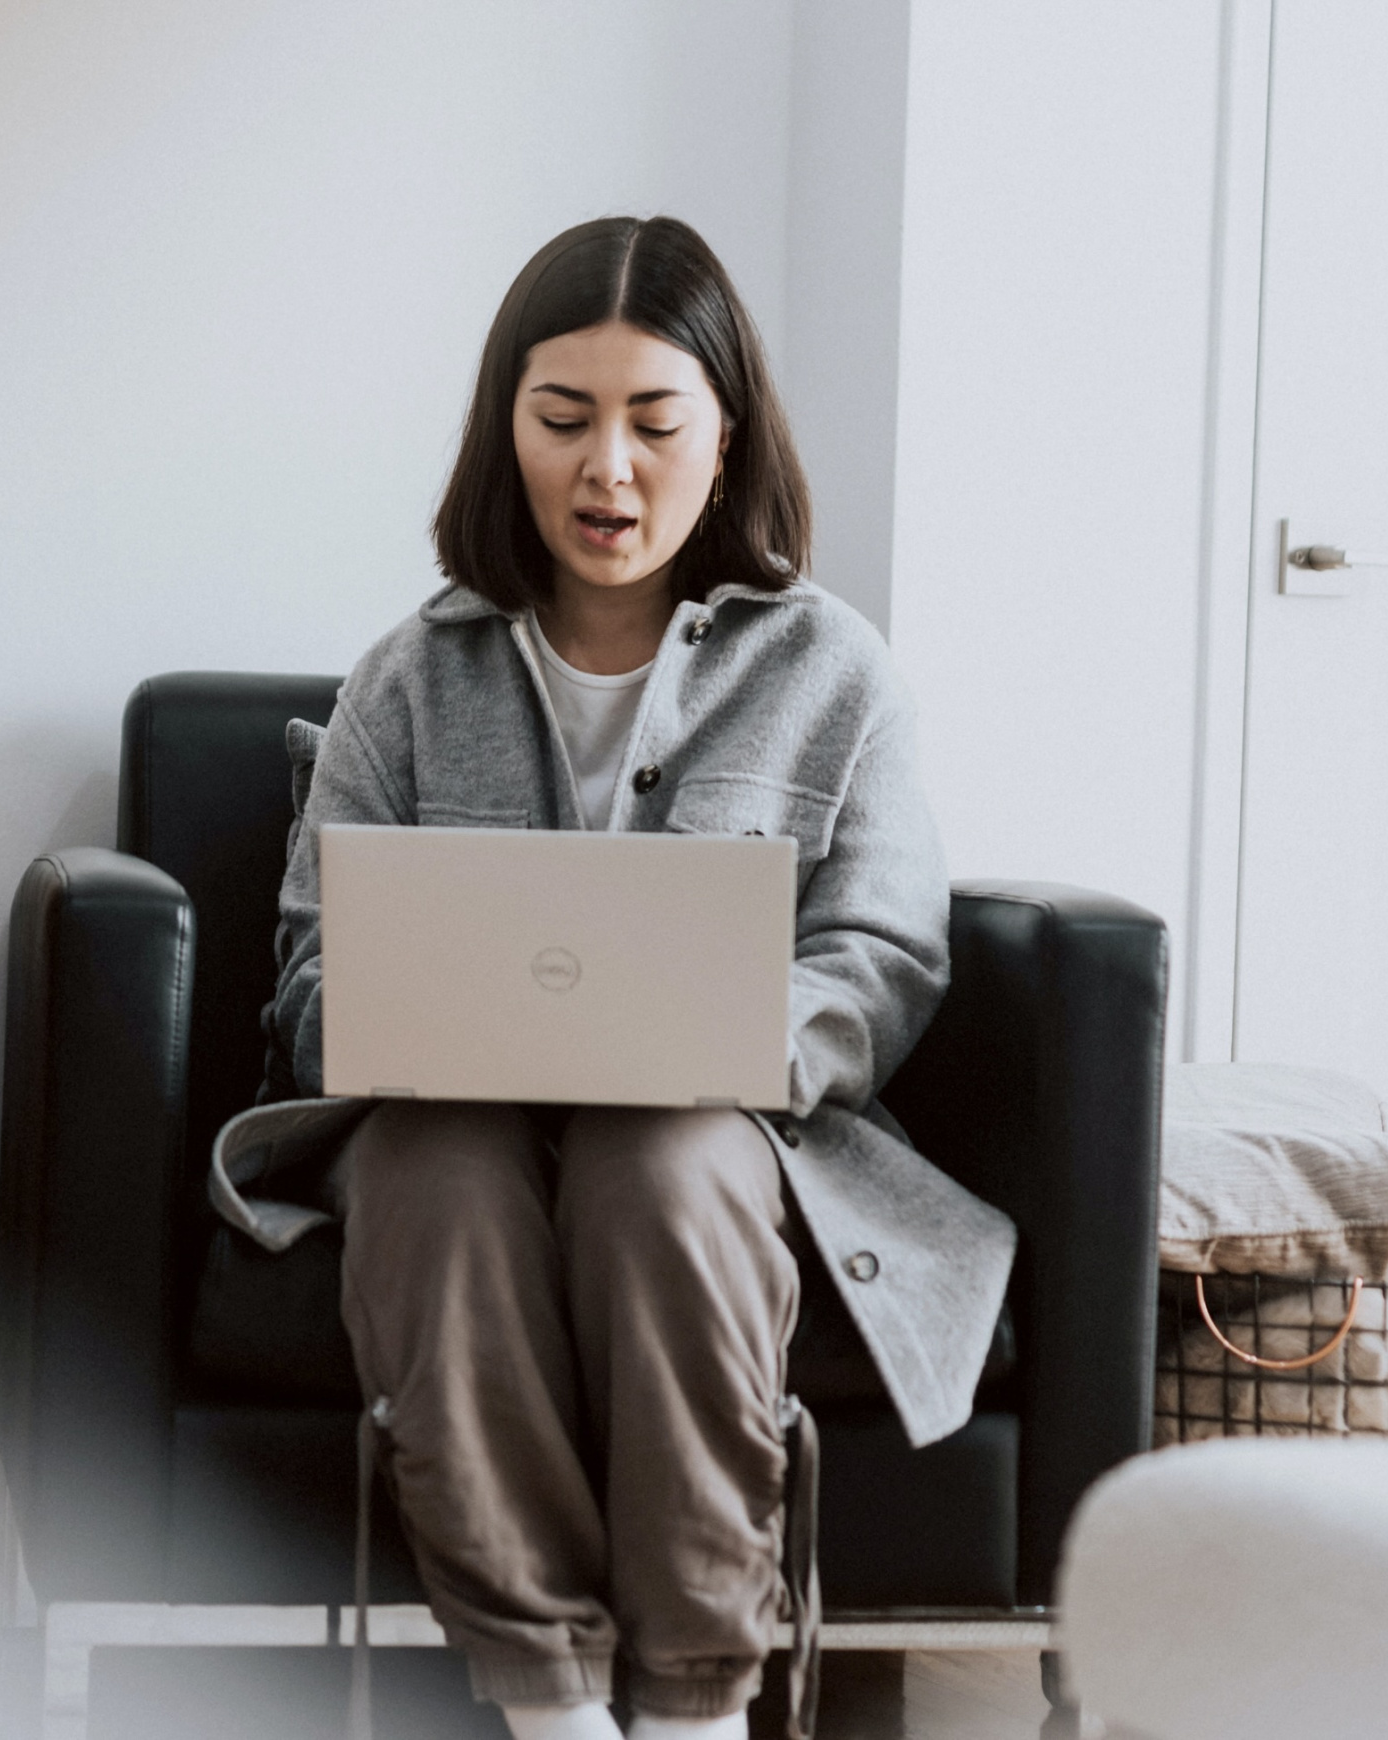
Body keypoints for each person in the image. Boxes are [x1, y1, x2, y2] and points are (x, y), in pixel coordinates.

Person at [208, 216, 1016, 1740]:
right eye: (563, 420)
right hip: (447, 1117)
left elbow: (886, 949)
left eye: (655, 424)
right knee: (433, 1166)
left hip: (728, 1128)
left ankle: (701, 1704)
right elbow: (313, 965)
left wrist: (742, 1036)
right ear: (503, 427)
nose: (609, 473)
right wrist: (389, 1017)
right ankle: (554, 1705)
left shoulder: (835, 672)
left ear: (728, 436)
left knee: (662, 1160)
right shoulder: (406, 677)